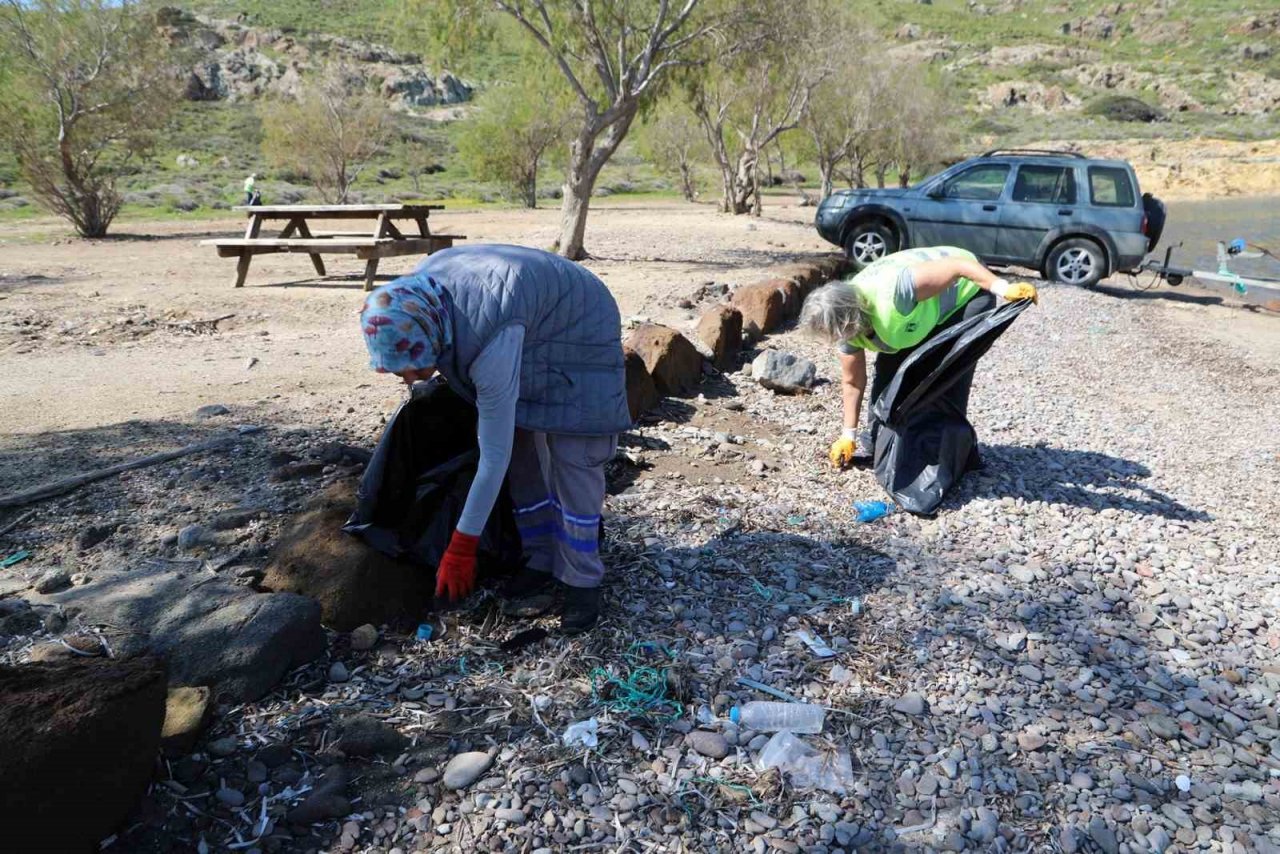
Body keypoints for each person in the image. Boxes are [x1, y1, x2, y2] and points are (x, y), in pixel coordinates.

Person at [359, 244, 631, 634]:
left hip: (578, 321)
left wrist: (461, 545)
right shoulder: (417, 302)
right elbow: (506, 448)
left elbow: (492, 457)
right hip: (525, 317)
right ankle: (540, 558)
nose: (409, 380)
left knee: (576, 455)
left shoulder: (489, 342)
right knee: (521, 446)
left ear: (431, 337)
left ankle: (581, 581)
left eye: (413, 366)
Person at [800, 246, 1038, 469]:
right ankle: (880, 444)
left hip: (968, 291)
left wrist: (1003, 287)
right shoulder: (849, 324)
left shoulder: (896, 291)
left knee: (947, 375)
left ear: (850, 319)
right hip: (913, 312)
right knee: (889, 375)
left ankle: (949, 455)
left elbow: (959, 266)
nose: (836, 340)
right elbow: (852, 382)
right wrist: (847, 435)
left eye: (836, 334)